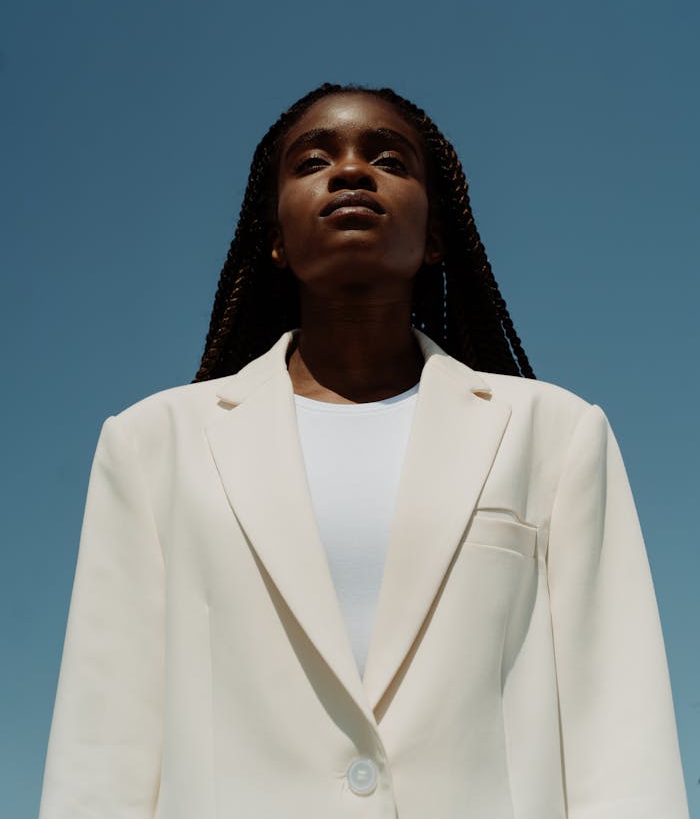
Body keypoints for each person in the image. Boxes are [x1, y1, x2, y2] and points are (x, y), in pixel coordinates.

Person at [39, 83, 689, 818]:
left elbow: (621, 732)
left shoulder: (556, 435)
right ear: (274, 238)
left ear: (436, 234)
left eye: (390, 160)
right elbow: (103, 747)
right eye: (313, 161)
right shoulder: (152, 445)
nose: (351, 171)